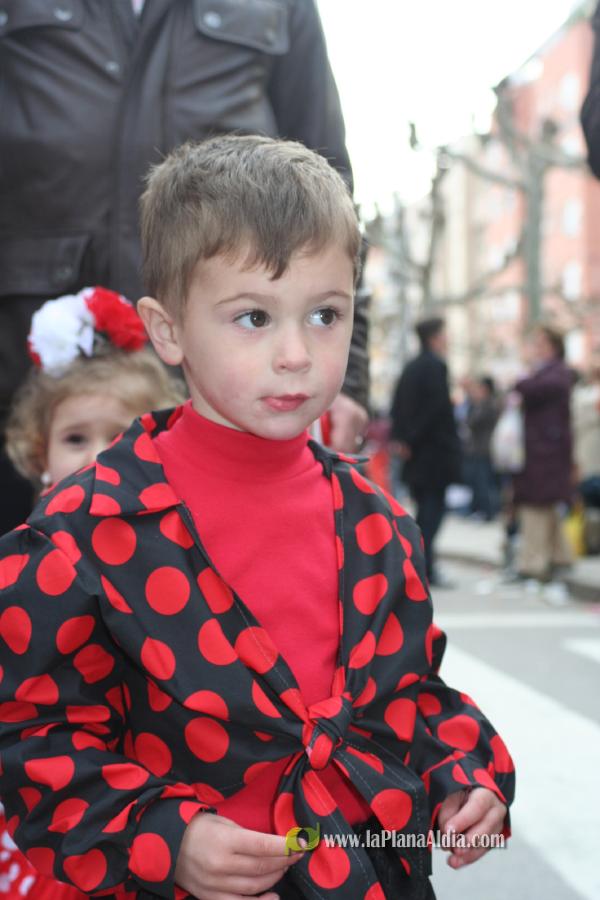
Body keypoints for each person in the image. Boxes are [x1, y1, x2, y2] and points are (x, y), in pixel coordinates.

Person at [0, 137, 514, 900]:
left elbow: (411, 695)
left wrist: (463, 774)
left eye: (325, 314)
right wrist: (167, 838)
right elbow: (34, 737)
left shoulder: (376, 520)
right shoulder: (85, 533)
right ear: (168, 329)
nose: (296, 354)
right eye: (252, 317)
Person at [0, 0, 369, 534]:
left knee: (223, 566)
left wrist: (347, 376)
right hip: (29, 369)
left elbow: (330, 191)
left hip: (224, 374)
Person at [0, 286, 184, 900]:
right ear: (40, 454)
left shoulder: (178, 559)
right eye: (76, 439)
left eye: (121, 437)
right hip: (52, 808)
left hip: (149, 805)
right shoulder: (20, 564)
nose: (100, 459)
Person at [389, 318, 462, 586]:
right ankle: (425, 566)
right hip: (434, 453)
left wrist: (402, 439)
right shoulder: (435, 366)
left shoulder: (410, 368)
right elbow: (436, 410)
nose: (447, 339)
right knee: (432, 511)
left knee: (424, 510)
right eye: (444, 334)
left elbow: (397, 407)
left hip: (416, 455)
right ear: (434, 337)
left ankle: (421, 564)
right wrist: (412, 438)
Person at [512, 325, 573, 589]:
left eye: (541, 344)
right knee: (545, 507)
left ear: (553, 346)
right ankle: (560, 558)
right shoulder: (548, 372)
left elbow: (530, 388)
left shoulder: (556, 373)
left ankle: (533, 564)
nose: (536, 349)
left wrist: (523, 376)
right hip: (543, 453)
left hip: (545, 454)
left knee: (536, 507)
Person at [464, 377, 500, 521]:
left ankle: (486, 511)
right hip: (479, 449)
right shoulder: (486, 404)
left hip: (483, 450)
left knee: (482, 482)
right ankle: (479, 509)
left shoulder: (488, 405)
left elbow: (472, 422)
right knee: (479, 481)